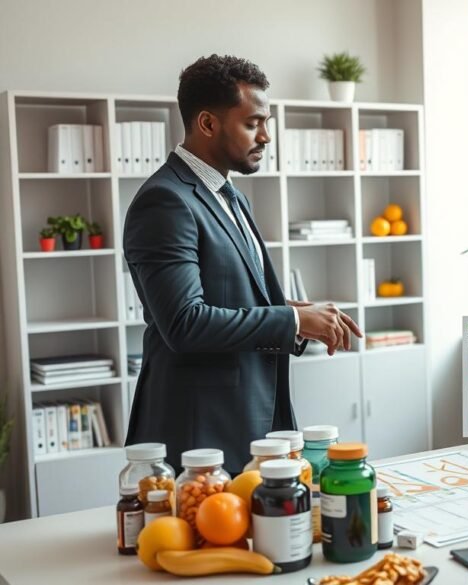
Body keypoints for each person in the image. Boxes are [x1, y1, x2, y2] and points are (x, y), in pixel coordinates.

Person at [124, 55, 362, 473]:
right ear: (207, 124)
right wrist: (291, 321)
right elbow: (185, 322)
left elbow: (237, 294)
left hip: (254, 417)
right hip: (201, 432)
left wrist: (302, 312)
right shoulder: (165, 201)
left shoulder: (230, 194)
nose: (266, 137)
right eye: (253, 123)